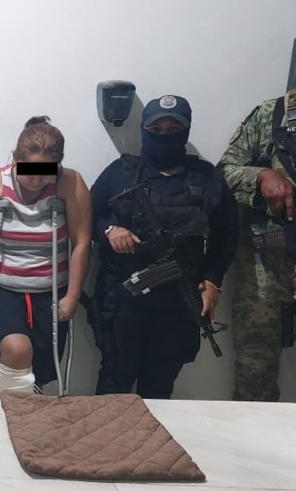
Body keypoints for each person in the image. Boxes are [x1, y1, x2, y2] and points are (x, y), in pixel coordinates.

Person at [90, 96, 237, 399]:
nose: (163, 135)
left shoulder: (206, 178)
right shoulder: (120, 173)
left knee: (159, 385)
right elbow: (86, 216)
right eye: (156, 129)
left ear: (186, 131)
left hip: (178, 301)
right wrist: (110, 230)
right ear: (143, 129)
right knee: (115, 380)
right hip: (124, 297)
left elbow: (226, 234)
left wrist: (213, 281)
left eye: (173, 129)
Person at [0, 116, 91, 394]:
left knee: (42, 366)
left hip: (50, 289)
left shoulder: (70, 183)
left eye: (45, 172)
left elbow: (81, 242)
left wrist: (73, 296)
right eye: (29, 170)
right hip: (2, 288)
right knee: (16, 349)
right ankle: (18, 407)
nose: (37, 179)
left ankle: (27, 410)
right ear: (15, 158)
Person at [218, 86, 296, 401]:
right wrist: (261, 176)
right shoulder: (272, 116)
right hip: (265, 267)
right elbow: (223, 174)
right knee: (255, 373)